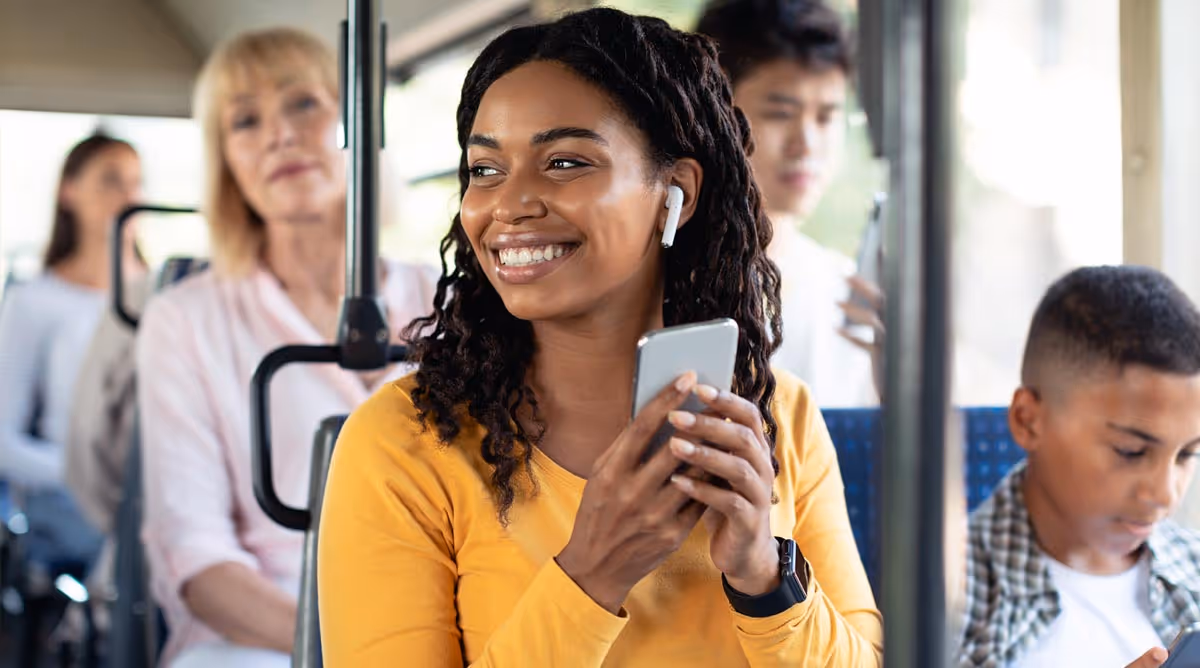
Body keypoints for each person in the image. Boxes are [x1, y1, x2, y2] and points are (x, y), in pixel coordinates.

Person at [318, 8, 882, 666]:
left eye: (563, 162)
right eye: (485, 170)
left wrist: (764, 578)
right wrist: (590, 576)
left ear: (677, 192)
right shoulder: (398, 445)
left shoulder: (779, 416)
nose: (509, 204)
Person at [135, 27, 437, 667]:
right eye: (245, 121)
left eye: (303, 104)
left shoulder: (449, 299)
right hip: (264, 632)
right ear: (227, 162)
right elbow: (199, 557)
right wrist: (344, 647)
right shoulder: (184, 320)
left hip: (436, 610)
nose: (279, 134)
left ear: (354, 129)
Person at [958, 265, 1200, 668]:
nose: (1164, 494)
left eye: (1187, 455)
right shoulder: (941, 601)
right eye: (1130, 451)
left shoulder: (1193, 569)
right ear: (1028, 420)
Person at [697, 0, 878, 407]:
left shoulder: (851, 301)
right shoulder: (660, 281)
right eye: (780, 113)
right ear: (715, 113)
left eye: (826, 117)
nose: (807, 144)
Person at [0, 133, 142, 572]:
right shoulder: (34, 301)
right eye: (110, 181)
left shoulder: (166, 299)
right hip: (69, 496)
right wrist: (89, 476)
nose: (129, 197)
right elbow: (4, 440)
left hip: (157, 487)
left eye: (137, 183)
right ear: (69, 191)